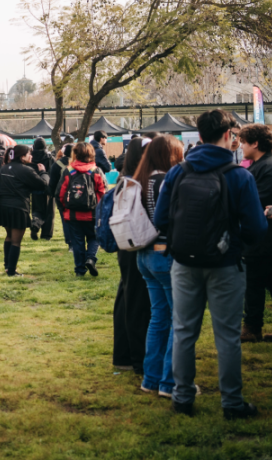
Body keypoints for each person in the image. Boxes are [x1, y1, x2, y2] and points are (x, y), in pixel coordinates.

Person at [153, 109, 266, 419]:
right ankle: (232, 403)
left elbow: (160, 219)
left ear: (199, 136)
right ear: (229, 136)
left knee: (184, 331)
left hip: (183, 262)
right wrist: (237, 245)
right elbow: (257, 227)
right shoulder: (240, 176)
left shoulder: (178, 173)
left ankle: (182, 397)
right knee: (227, 336)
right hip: (226, 265)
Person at [132, 135, 184, 397]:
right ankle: (170, 382)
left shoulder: (139, 180)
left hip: (144, 254)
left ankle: (151, 379)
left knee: (158, 318)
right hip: (165, 254)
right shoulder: (169, 180)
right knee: (179, 320)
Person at [237, 124, 272, 343]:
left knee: (254, 282)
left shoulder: (270, 167)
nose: (241, 146)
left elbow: (258, 201)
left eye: (244, 142)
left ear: (255, 143)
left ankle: (252, 327)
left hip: (266, 238)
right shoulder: (260, 165)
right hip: (263, 237)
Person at [111, 137, 152, 374]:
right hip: (135, 243)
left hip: (126, 244)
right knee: (136, 300)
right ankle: (137, 358)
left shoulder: (126, 179)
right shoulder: (136, 182)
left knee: (127, 296)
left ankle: (125, 356)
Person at [0, 145, 49, 277]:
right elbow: (43, 184)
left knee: (8, 236)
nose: (31, 156)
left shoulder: (3, 168)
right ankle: (12, 271)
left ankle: (7, 267)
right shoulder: (26, 170)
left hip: (3, 207)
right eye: (29, 153)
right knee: (16, 241)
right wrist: (43, 172)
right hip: (18, 207)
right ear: (22, 156)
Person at [58, 142, 106, 278]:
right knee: (94, 237)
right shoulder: (96, 171)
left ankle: (80, 270)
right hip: (93, 214)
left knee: (77, 241)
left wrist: (63, 208)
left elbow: (60, 192)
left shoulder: (69, 171)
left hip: (73, 214)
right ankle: (90, 258)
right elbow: (103, 192)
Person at [29, 138, 55, 241]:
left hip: (35, 188)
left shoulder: (30, 158)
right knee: (49, 212)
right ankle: (46, 235)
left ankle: (35, 223)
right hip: (48, 187)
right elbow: (53, 173)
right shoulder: (49, 158)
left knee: (36, 209)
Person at [49, 143, 73, 251]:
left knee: (65, 220)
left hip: (62, 196)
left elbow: (52, 183)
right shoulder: (78, 163)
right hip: (78, 195)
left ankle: (70, 243)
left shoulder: (56, 164)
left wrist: (52, 195)